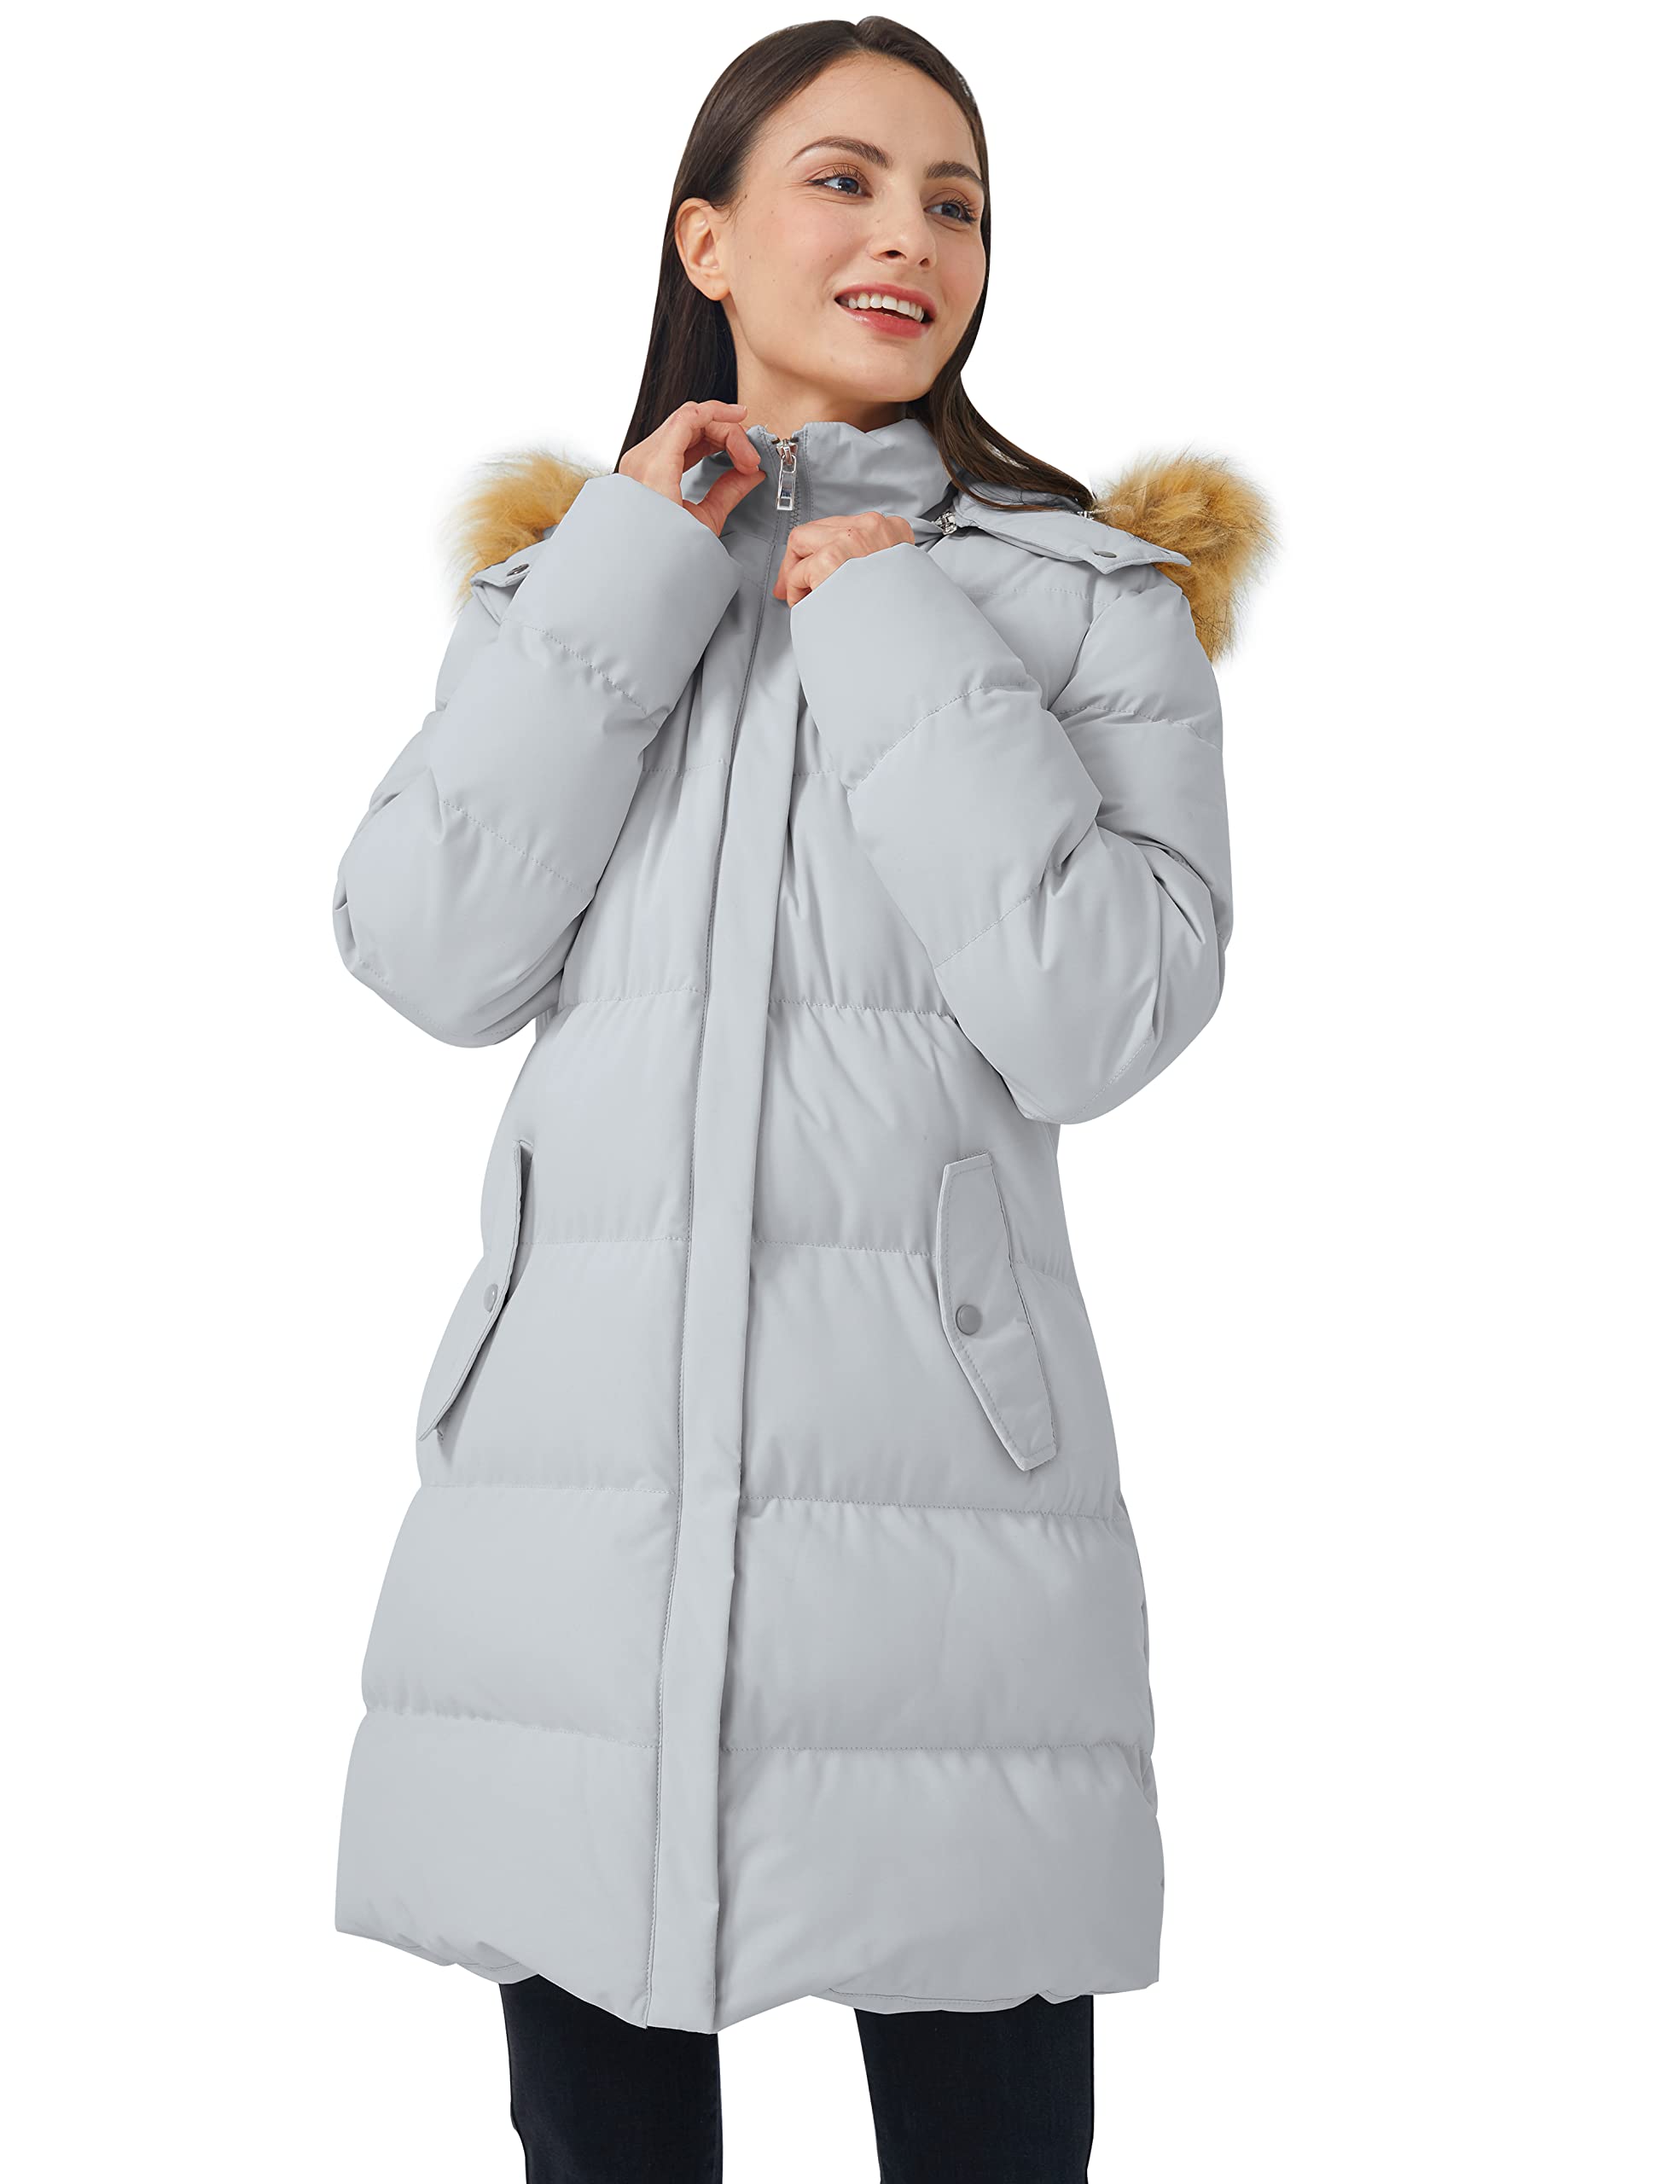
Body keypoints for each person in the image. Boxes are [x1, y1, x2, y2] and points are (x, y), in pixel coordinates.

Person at [330, 15, 1272, 2181]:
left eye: (953, 202)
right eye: (842, 180)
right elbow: (427, 950)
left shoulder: (1085, 603)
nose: (908, 236)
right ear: (708, 240)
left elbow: (1104, 1015)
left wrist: (902, 632)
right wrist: (630, 568)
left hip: (947, 1523)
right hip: (573, 1523)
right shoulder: (568, 592)